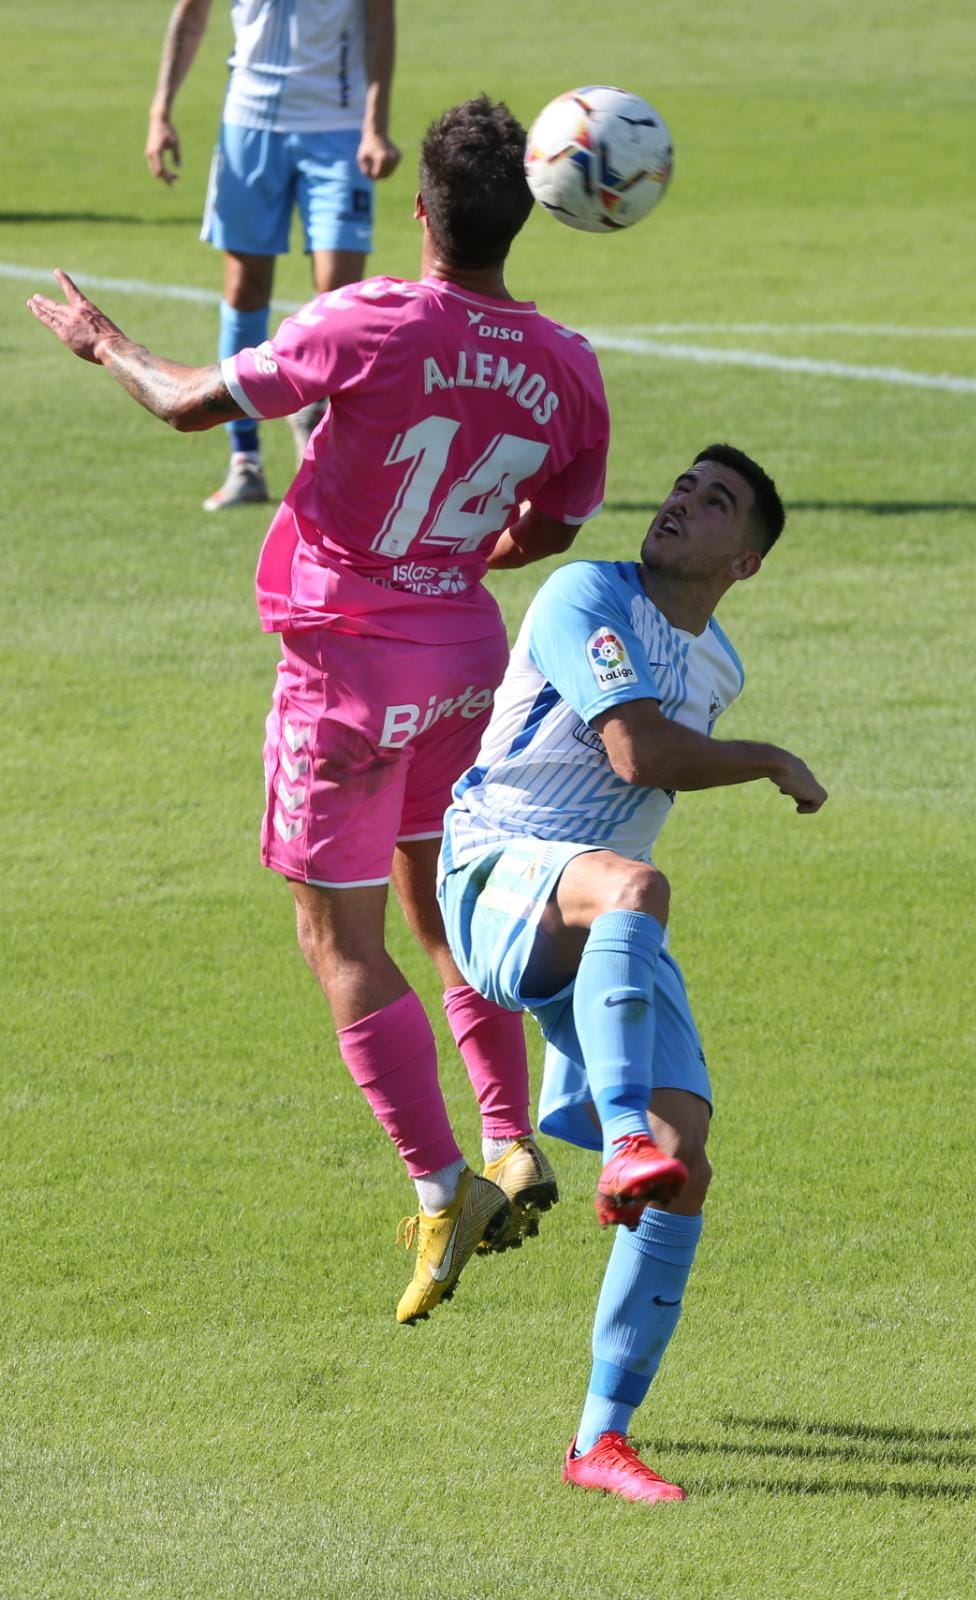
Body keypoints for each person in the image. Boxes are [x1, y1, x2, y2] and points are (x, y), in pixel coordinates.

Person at [29, 95, 611, 1326]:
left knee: (339, 946)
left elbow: (193, 402)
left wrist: (104, 344)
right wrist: (461, 559)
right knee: (439, 901)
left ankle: (442, 1183)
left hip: (345, 674)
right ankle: (510, 1135)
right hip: (464, 660)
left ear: (420, 214)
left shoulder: (372, 318)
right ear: (529, 222)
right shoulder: (567, 364)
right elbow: (552, 524)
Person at [438, 444, 828, 1501]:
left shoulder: (718, 663)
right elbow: (637, 753)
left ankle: (597, 1442)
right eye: (682, 489)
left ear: (743, 560)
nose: (680, 506)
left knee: (686, 1158)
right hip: (490, 868)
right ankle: (615, 1143)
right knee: (636, 887)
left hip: (588, 906)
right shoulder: (584, 593)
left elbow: (660, 748)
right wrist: (768, 759)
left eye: (715, 504)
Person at [145, 0, 401, 509]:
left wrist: (375, 123)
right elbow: (192, 15)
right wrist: (161, 111)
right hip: (250, 125)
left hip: (338, 129)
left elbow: (379, 18)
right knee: (245, 289)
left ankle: (322, 437)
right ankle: (246, 461)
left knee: (340, 297)